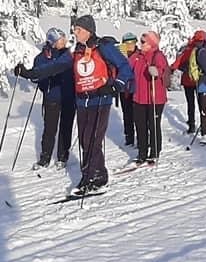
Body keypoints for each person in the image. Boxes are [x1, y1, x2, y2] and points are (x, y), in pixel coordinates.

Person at [17, 14, 134, 195]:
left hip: (100, 99)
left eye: (78, 30)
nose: (75, 32)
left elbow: (125, 67)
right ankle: (98, 175)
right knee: (85, 140)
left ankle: (90, 178)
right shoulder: (75, 51)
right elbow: (54, 66)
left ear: (88, 31)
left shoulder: (104, 47)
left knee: (92, 140)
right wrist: (30, 73)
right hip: (82, 101)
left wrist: (116, 86)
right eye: (75, 29)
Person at [25, 28, 76, 170]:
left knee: (66, 128)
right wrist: (42, 83)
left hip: (68, 97)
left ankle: (62, 157)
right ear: (53, 42)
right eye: (61, 39)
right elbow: (36, 76)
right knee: (49, 129)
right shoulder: (41, 58)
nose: (65, 41)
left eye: (64, 38)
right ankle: (44, 158)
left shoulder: (68, 55)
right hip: (51, 97)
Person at [128, 31, 170, 164]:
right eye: (140, 41)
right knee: (140, 125)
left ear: (151, 43)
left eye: (143, 41)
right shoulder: (137, 56)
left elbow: (163, 69)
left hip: (154, 98)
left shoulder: (158, 55)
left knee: (153, 124)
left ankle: (155, 151)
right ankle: (142, 152)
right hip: (139, 97)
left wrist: (157, 72)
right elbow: (126, 67)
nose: (140, 44)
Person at [172, 30, 206, 133]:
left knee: (191, 104)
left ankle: (192, 125)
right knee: (201, 104)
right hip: (199, 81)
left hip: (189, 81)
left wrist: (172, 68)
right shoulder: (204, 49)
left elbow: (177, 63)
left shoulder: (187, 49)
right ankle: (203, 125)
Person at [117, 32, 139, 146]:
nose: (130, 45)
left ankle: (141, 137)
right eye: (127, 43)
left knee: (137, 114)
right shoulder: (120, 55)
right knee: (127, 113)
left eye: (132, 42)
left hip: (136, 89)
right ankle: (129, 136)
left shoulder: (139, 54)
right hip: (124, 89)